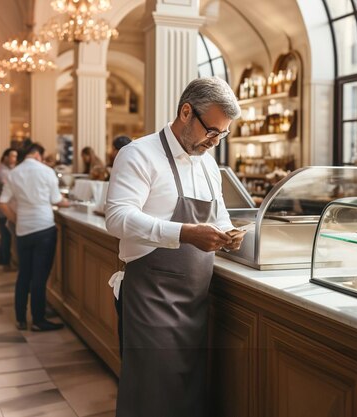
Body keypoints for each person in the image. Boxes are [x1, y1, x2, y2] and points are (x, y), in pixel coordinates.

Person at [106, 77, 244, 417]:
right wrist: (184, 233)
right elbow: (117, 218)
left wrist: (229, 234)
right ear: (186, 112)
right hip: (150, 299)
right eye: (212, 131)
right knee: (152, 395)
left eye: (222, 135)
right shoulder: (139, 153)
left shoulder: (209, 163)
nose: (214, 142)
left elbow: (220, 215)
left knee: (187, 395)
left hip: (195, 303)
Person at [0, 143, 69, 332]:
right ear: (38, 154)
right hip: (44, 228)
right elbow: (56, 200)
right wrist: (68, 203)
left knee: (24, 274)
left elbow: (2, 203)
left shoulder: (14, 173)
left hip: (23, 230)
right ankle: (38, 320)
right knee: (39, 276)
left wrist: (17, 219)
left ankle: (20, 318)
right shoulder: (46, 171)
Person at [0, 148, 18, 267]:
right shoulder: (1, 171)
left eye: (16, 156)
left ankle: (3, 259)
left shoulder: (9, 169)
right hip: (4, 209)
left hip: (6, 208)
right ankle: (4, 260)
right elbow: (8, 185)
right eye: (12, 156)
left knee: (6, 236)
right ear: (5, 157)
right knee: (6, 236)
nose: (14, 159)